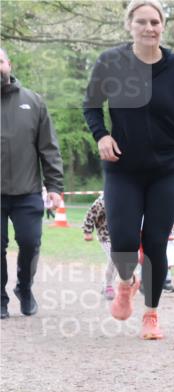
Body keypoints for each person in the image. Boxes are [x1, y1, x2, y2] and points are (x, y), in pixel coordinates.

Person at [83, 0, 174, 340]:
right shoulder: (110, 62)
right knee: (122, 243)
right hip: (123, 168)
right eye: (142, 22)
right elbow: (91, 106)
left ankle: (151, 313)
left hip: (167, 168)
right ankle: (125, 282)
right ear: (129, 26)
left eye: (155, 21)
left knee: (154, 243)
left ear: (163, 26)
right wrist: (102, 135)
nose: (149, 28)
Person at [1, 46, 64, 320]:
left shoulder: (34, 102)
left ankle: (24, 288)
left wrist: (54, 187)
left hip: (27, 192)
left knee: (30, 243)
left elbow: (49, 148)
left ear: (9, 64)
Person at [82, 194, 119, 300]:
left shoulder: (130, 198)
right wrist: (87, 231)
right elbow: (91, 214)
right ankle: (108, 285)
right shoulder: (105, 199)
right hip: (105, 236)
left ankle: (108, 284)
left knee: (118, 260)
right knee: (115, 258)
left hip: (120, 235)